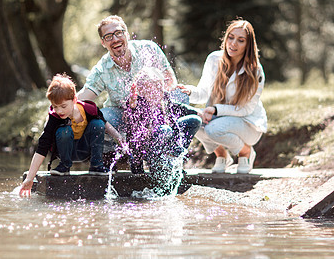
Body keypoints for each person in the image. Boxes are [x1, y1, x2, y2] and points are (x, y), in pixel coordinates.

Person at [77, 15, 185, 160]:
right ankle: (114, 154)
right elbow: (83, 97)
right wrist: (57, 109)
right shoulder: (102, 69)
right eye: (108, 37)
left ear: (126, 34)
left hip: (154, 108)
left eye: (118, 33)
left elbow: (170, 81)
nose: (115, 39)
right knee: (101, 118)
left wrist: (152, 98)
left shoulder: (148, 49)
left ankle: (170, 151)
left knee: (181, 96)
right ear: (103, 43)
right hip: (121, 114)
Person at [179, 19, 267, 174]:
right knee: (195, 122)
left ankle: (245, 152)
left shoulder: (255, 71)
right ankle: (222, 156)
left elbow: (245, 109)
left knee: (213, 129)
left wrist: (215, 109)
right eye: (231, 37)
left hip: (247, 123)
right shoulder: (214, 59)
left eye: (240, 40)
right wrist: (189, 91)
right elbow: (203, 93)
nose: (233, 44)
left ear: (248, 45)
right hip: (219, 118)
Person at [20, 73, 121, 197]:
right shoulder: (54, 118)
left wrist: (119, 138)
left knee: (98, 123)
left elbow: (105, 124)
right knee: (64, 131)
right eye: (55, 107)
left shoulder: (88, 109)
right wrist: (30, 178)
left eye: (63, 106)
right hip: (66, 151)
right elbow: (42, 148)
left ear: (74, 100)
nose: (59, 111)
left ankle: (97, 166)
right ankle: (64, 167)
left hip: (85, 150)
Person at [124, 67, 202, 175]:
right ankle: (157, 164)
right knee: (165, 130)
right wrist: (136, 163)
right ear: (141, 89)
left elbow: (177, 106)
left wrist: (197, 112)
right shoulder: (137, 103)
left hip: (165, 140)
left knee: (194, 121)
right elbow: (132, 131)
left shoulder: (163, 97)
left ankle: (173, 157)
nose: (160, 90)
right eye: (154, 87)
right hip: (146, 147)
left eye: (160, 86)